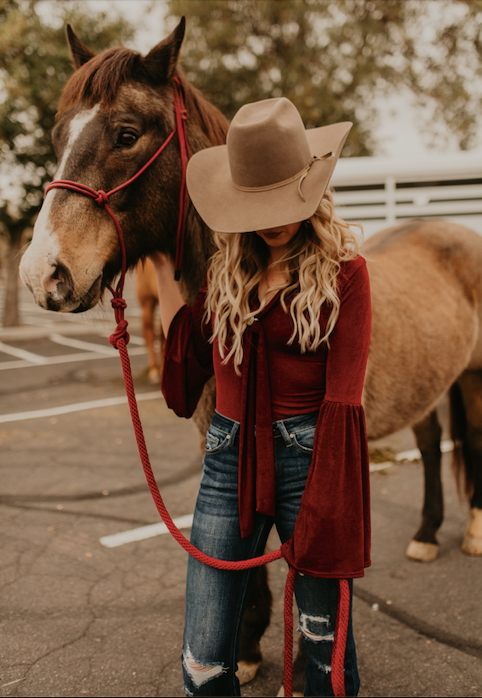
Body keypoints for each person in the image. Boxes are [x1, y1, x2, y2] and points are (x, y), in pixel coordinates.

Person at [150, 97, 371, 697]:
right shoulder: (224, 273)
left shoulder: (345, 274)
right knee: (202, 657)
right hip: (227, 459)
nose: (273, 218)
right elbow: (179, 387)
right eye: (259, 203)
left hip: (312, 455)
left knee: (323, 649)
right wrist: (154, 279)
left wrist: (332, 501)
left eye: (284, 201)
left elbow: (346, 396)